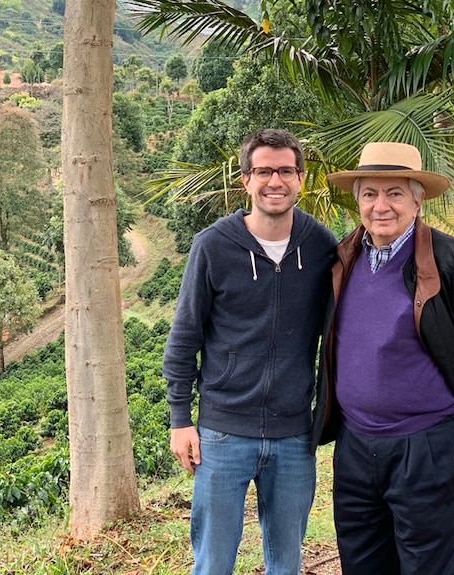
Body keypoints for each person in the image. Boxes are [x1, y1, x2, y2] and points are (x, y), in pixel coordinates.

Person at [315, 142, 454, 575]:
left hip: (425, 448)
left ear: (418, 200)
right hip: (355, 450)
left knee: (429, 566)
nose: (382, 206)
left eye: (395, 193)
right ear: (357, 201)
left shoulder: (452, 262)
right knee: (362, 563)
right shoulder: (344, 258)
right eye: (370, 194)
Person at [163, 128, 338, 575]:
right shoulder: (213, 246)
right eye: (263, 171)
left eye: (285, 171)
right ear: (246, 180)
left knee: (287, 560)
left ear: (301, 179)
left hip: (294, 434)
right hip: (223, 433)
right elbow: (185, 337)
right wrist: (180, 420)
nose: (274, 181)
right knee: (213, 560)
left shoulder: (321, 247)